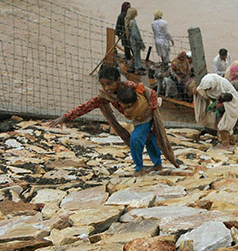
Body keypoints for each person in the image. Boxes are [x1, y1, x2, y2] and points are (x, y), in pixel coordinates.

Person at [47, 65, 178, 175]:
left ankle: (140, 168)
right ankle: (157, 165)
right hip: (136, 119)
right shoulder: (106, 96)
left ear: (118, 80)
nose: (107, 88)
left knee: (136, 139)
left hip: (146, 117)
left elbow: (151, 93)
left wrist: (150, 109)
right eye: (103, 85)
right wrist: (65, 117)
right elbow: (87, 106)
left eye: (109, 84)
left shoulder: (130, 87)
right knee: (149, 139)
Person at [193, 73, 238, 147]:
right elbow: (202, 91)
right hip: (221, 107)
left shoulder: (223, 85)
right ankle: (231, 142)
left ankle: (226, 145)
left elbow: (228, 98)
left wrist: (220, 102)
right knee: (226, 127)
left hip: (231, 105)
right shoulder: (209, 84)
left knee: (224, 127)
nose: (208, 90)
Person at [125, 8, 145, 73]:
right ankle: (137, 68)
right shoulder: (133, 22)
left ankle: (138, 65)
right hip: (135, 41)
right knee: (137, 54)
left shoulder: (128, 21)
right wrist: (140, 41)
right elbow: (135, 33)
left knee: (136, 54)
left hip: (132, 40)